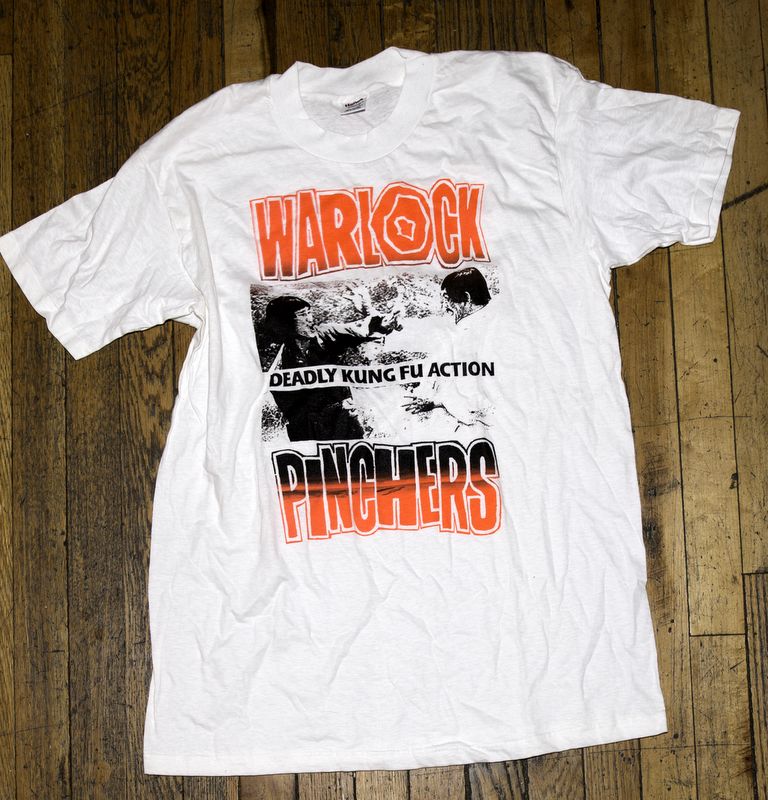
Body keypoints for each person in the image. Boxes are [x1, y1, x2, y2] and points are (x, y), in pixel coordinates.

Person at [257, 293, 400, 441]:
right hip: (308, 426)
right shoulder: (283, 356)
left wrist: (381, 325)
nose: (310, 319)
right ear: (285, 323)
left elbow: (357, 331)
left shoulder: (324, 334)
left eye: (309, 313)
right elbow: (282, 398)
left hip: (340, 418)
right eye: (303, 315)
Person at [402, 266, 494, 431]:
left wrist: (436, 402)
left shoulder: (467, 334)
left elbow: (474, 407)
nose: (446, 306)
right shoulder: (496, 318)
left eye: (447, 299)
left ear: (467, 298)